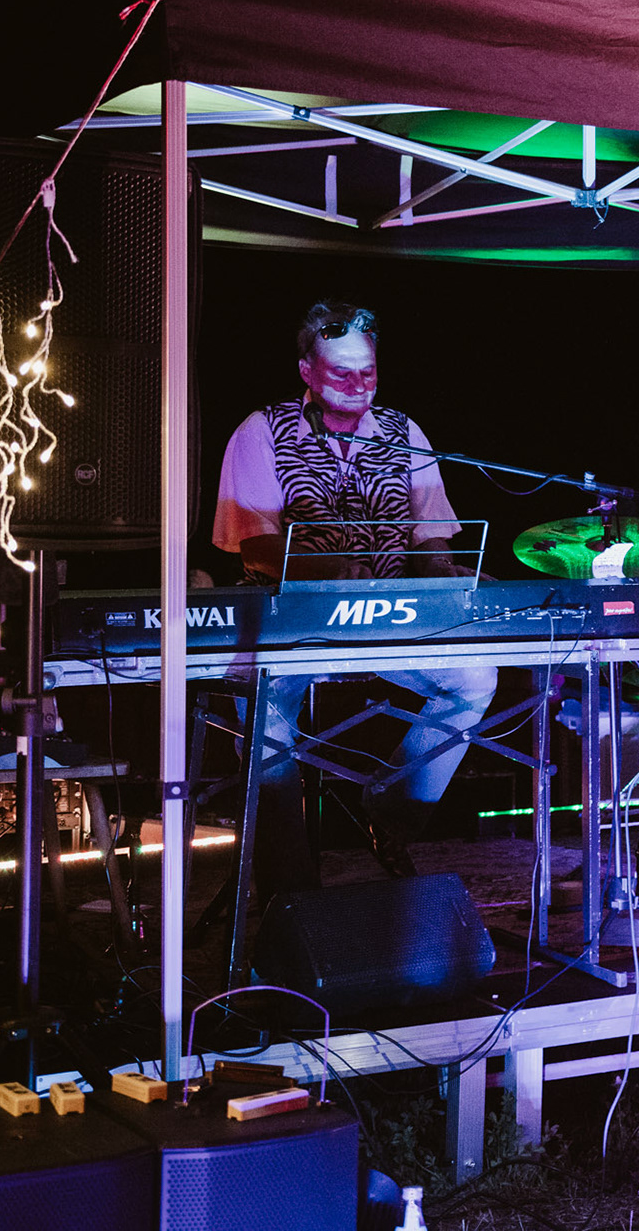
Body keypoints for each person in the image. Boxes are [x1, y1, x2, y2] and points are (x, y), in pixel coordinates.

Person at [211, 300, 497, 891]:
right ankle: (289, 893)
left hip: (387, 616)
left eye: (367, 370)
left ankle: (393, 809)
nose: (357, 383)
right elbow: (255, 549)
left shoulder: (405, 433)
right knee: (264, 720)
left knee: (475, 676)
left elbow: (431, 540)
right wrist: (329, 566)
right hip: (289, 622)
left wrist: (453, 575)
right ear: (306, 371)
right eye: (340, 371)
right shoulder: (261, 431)